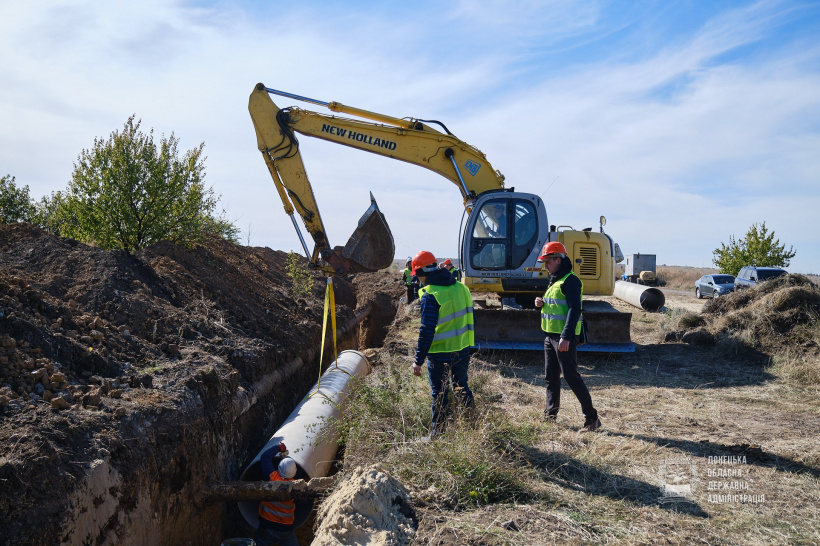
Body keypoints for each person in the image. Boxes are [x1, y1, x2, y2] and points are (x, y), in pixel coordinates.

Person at [534, 241, 601, 432]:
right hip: (550, 337)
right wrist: (541, 302)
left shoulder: (571, 280)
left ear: (558, 259)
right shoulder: (555, 279)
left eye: (548, 262)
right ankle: (550, 416)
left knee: (572, 378)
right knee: (551, 378)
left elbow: (574, 309)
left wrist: (566, 336)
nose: (545, 266)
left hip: (563, 339)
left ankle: (592, 419)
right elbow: (557, 305)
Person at [411, 250, 475, 437]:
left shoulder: (431, 294)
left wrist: (418, 360)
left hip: (439, 354)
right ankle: (474, 426)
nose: (418, 281)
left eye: (418, 277)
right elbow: (472, 318)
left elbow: (427, 329)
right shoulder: (461, 288)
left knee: (439, 394)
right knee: (461, 387)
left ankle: (437, 435)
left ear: (422, 273)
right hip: (462, 349)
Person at [256, 443, 299, 546]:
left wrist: (279, 447)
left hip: (266, 525)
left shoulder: (272, 478)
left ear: (279, 467)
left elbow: (265, 457)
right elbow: (302, 502)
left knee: (261, 542)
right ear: (295, 472)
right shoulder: (296, 486)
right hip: (285, 529)